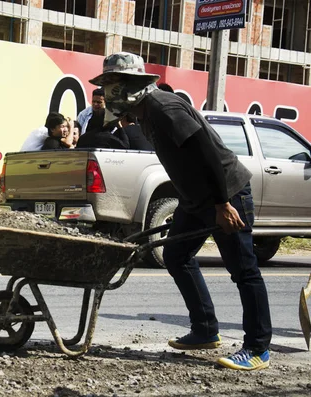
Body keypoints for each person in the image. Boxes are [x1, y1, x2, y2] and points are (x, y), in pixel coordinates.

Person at [88, 52, 272, 371]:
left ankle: (258, 348)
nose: (109, 94)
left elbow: (207, 152)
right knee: (176, 256)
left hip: (224, 193)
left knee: (244, 269)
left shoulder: (164, 108)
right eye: (107, 86)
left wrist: (222, 204)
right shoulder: (144, 113)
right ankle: (204, 330)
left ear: (132, 85)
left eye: (114, 86)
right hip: (195, 200)